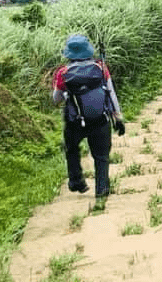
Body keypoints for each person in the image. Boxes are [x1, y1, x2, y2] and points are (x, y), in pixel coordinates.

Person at [51, 34, 125, 200]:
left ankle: (76, 181)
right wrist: (118, 117)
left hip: (74, 121)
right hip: (100, 119)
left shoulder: (63, 73)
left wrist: (65, 94)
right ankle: (102, 188)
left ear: (69, 53)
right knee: (101, 155)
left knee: (71, 149)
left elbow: (55, 100)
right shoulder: (100, 67)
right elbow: (111, 93)